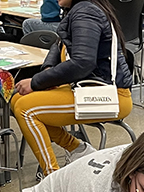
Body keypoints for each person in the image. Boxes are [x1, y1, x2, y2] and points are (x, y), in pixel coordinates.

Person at [10, 0, 133, 177]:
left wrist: (36, 82)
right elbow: (60, 44)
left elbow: (83, 62)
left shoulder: (86, 12)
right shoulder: (78, 9)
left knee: (26, 109)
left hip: (109, 95)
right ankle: (78, 149)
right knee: (17, 100)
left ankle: (51, 178)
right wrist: (48, 71)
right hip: (87, 88)